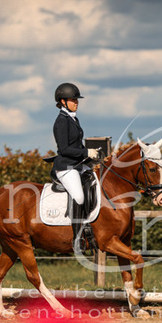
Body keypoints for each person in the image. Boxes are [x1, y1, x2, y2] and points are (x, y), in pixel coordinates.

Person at [51, 82, 99, 252]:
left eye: (76, 99)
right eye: (73, 100)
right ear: (62, 101)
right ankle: (77, 238)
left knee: (97, 181)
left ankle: (92, 227)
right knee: (78, 197)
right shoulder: (61, 122)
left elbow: (76, 145)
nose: (76, 102)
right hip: (66, 167)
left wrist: (90, 157)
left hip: (77, 165)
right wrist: (86, 152)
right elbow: (64, 149)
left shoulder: (73, 119)